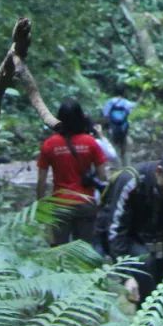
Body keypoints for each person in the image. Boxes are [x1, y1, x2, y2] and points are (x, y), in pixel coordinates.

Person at [102, 147, 163, 301]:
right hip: (129, 236)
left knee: (159, 274)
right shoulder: (131, 180)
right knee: (144, 269)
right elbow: (116, 230)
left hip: (158, 235)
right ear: (159, 172)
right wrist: (126, 276)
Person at [36, 98, 116, 245]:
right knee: (84, 251)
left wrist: (41, 206)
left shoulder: (49, 145)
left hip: (60, 205)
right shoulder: (90, 142)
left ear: (59, 119)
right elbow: (102, 176)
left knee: (60, 251)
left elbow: (41, 181)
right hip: (85, 203)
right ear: (80, 117)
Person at [101, 89, 135, 164]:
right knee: (125, 146)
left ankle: (117, 166)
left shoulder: (110, 102)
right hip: (123, 129)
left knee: (114, 147)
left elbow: (105, 115)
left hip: (113, 129)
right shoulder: (127, 103)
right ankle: (126, 165)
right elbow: (129, 113)